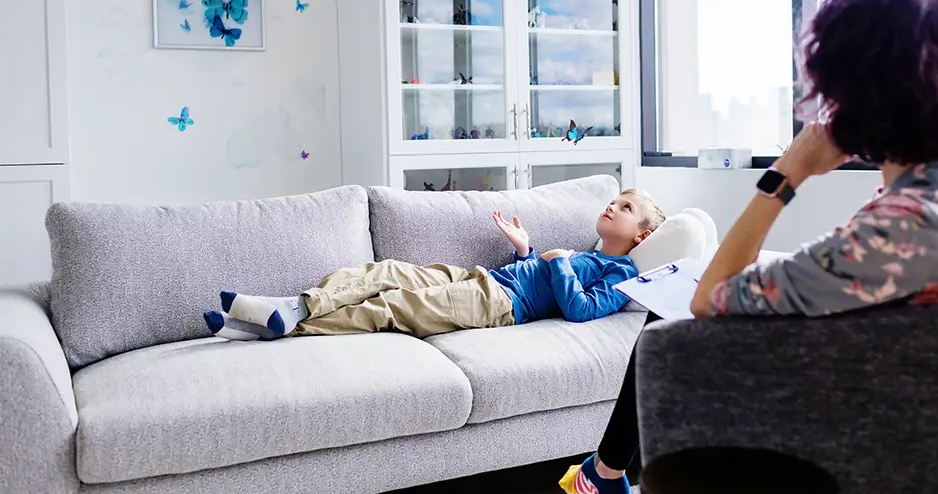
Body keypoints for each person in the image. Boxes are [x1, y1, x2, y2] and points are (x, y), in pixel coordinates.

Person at [560, 0, 938, 494]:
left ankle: (607, 468)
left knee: (664, 328)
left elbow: (709, 297)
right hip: (903, 372)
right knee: (666, 305)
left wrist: (786, 173)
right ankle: (607, 467)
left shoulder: (908, 225)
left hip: (848, 408)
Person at [202, 188, 667, 340]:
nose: (612, 207)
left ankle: (277, 327)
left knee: (395, 306)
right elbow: (544, 278)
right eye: (613, 200)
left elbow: (578, 309)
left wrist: (559, 263)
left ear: (642, 236)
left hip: (498, 305)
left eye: (625, 208)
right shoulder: (585, 252)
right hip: (485, 279)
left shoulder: (623, 274)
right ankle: (296, 305)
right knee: (383, 271)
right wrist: (525, 251)